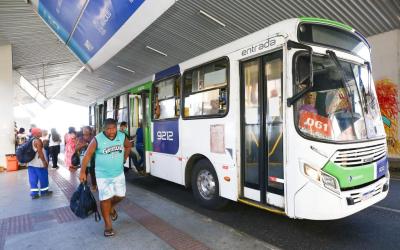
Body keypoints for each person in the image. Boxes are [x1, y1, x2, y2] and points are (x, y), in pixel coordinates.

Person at [79, 119, 131, 237]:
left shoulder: (122, 136)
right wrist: (82, 172)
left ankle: (111, 208)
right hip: (103, 175)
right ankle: (108, 226)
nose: (111, 131)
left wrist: (125, 157)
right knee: (105, 199)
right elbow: (87, 155)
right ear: (104, 129)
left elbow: (128, 146)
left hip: (118, 173)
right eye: (108, 129)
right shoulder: (97, 139)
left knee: (121, 196)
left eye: (113, 128)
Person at [27, 128, 52, 199]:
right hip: (39, 164)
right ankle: (44, 192)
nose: (41, 132)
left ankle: (34, 194)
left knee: (32, 179)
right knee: (43, 177)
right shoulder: (38, 141)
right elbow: (40, 153)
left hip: (31, 163)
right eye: (39, 132)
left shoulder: (30, 140)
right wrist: (44, 162)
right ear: (35, 133)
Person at [75, 126, 97, 191]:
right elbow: (76, 149)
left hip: (92, 158)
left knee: (93, 173)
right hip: (83, 158)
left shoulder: (93, 138)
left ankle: (94, 185)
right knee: (84, 172)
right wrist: (83, 145)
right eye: (84, 131)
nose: (84, 132)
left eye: (86, 130)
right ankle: (83, 185)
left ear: (90, 131)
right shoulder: (80, 138)